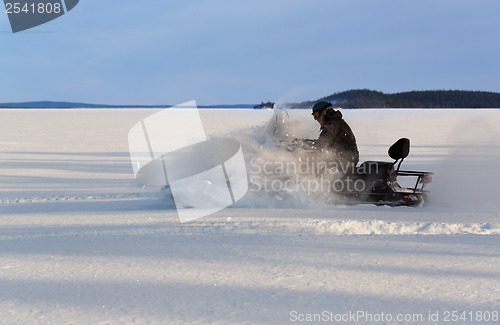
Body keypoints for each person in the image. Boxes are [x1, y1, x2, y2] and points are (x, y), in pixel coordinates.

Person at [296, 101, 359, 174]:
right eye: (314, 116)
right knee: (313, 157)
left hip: (347, 159)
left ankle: (310, 179)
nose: (316, 119)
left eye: (316, 115)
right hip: (343, 157)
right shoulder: (332, 123)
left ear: (324, 112)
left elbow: (321, 144)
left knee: (318, 159)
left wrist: (301, 143)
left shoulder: (334, 124)